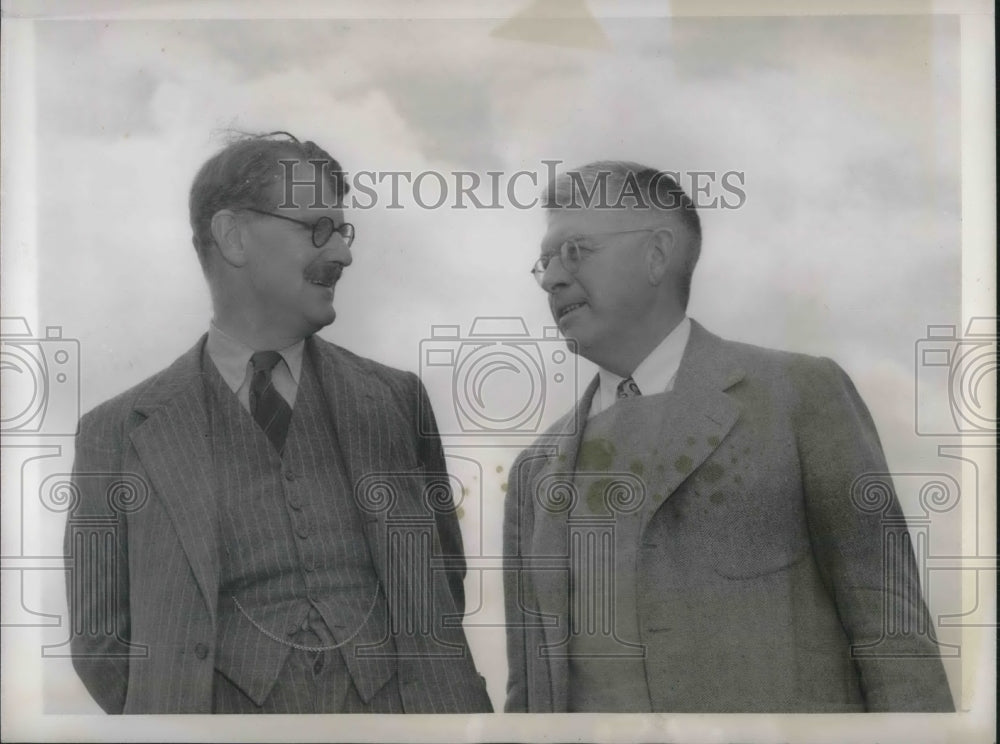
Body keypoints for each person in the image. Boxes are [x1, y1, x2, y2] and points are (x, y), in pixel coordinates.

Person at [502, 161, 955, 712]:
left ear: (656, 253)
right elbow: (528, 694)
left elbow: (894, 635)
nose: (552, 278)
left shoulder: (801, 394)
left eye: (574, 251)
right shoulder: (533, 470)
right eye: (545, 261)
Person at [64, 132, 492, 714]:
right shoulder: (113, 433)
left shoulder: (396, 400)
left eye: (343, 232)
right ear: (233, 236)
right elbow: (101, 645)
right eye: (318, 228)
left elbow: (446, 582)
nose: (342, 254)